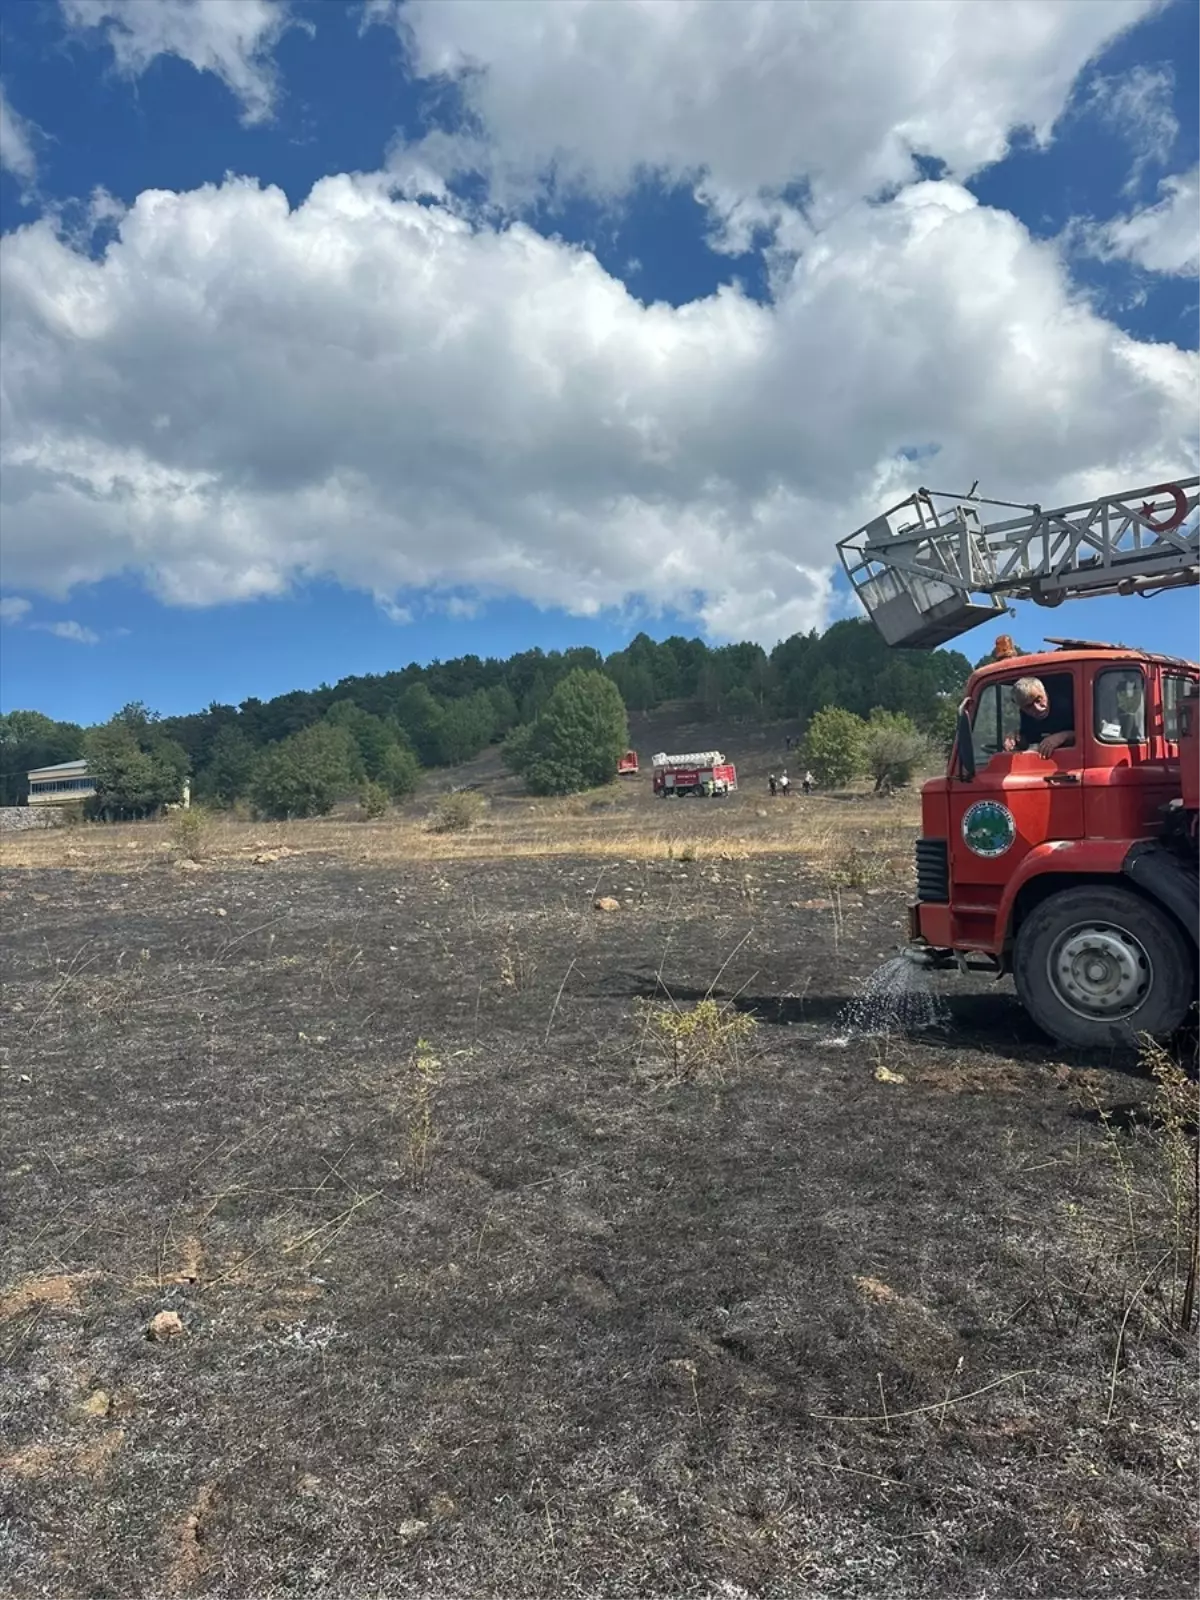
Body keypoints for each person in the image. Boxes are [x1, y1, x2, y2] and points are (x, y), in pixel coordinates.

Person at [1005, 676, 1075, 758]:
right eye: (1028, 706)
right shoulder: (1026, 716)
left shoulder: (1067, 705)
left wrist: (1063, 736)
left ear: (1044, 692)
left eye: (1038, 700)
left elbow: (1089, 734)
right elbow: (1029, 740)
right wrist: (1014, 738)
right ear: (1022, 708)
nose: (1037, 708)